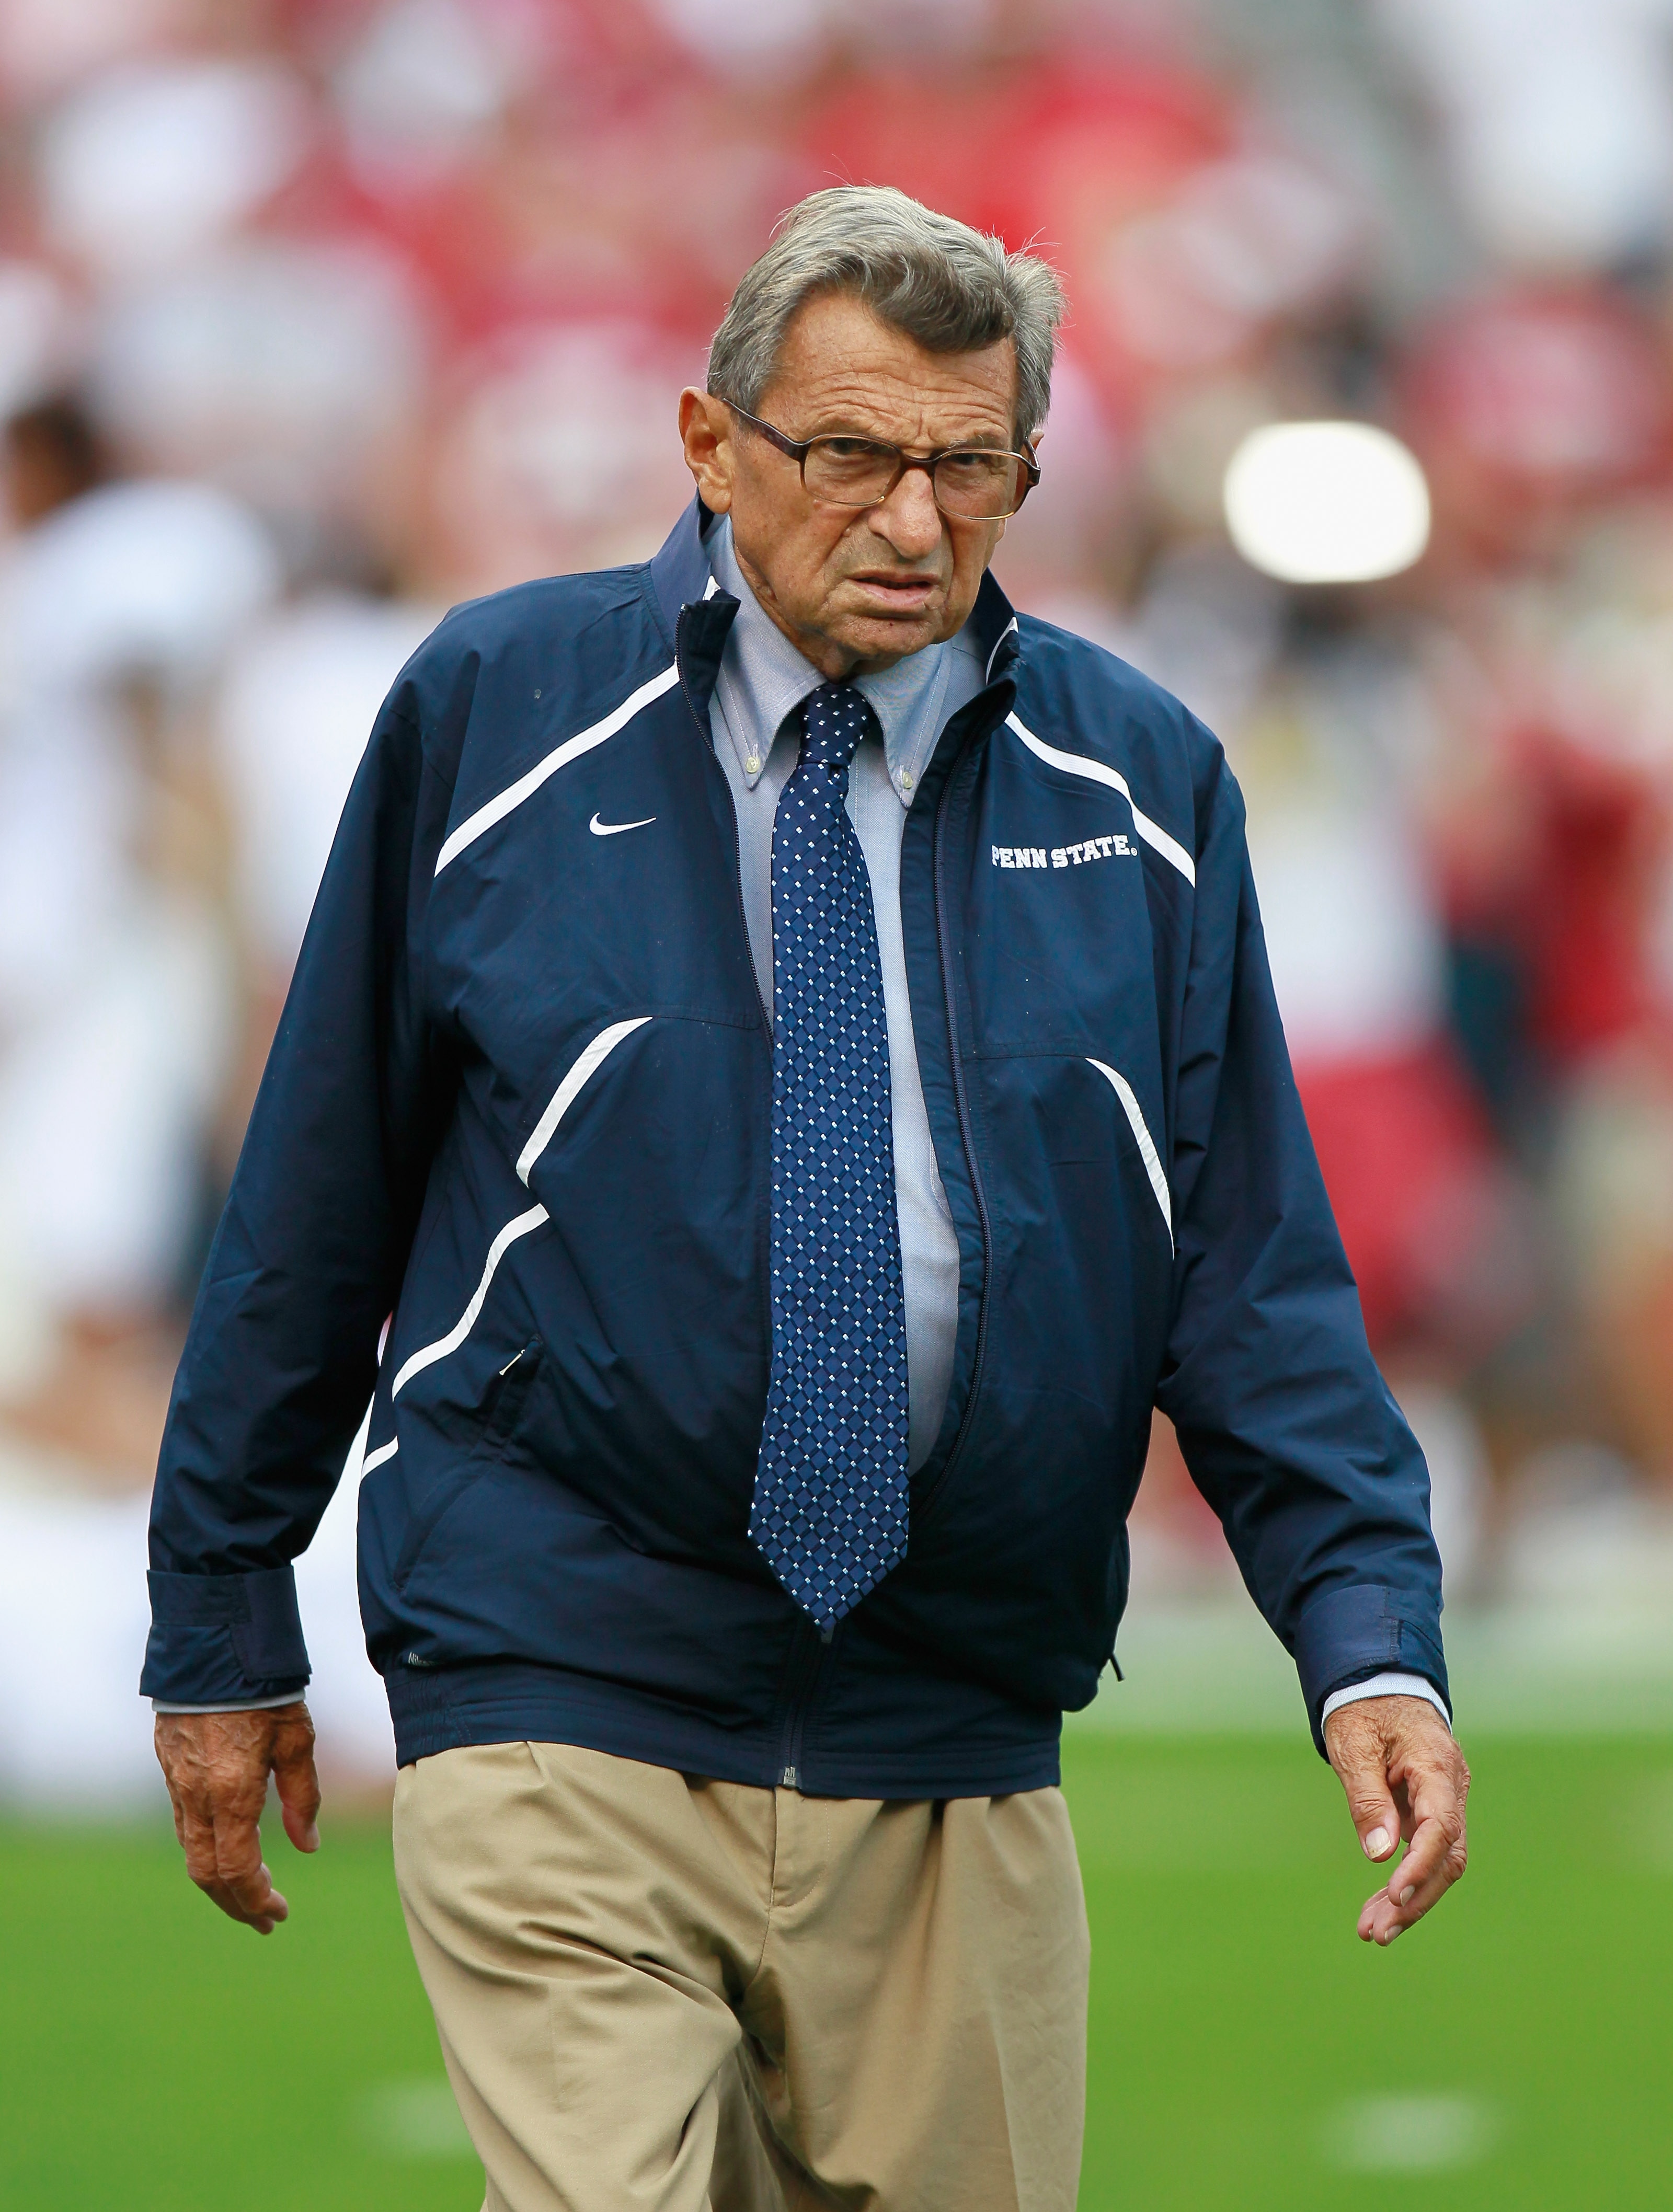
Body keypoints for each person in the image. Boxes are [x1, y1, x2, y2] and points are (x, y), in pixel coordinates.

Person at [144, 187, 1469, 2212]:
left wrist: (1366, 1638)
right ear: (708, 446)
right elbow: (315, 1192)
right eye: (846, 454)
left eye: (968, 465)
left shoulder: (1144, 779)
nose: (914, 521)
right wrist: (224, 1613)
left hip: (957, 1713)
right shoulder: (493, 710)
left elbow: (1243, 1269)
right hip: (555, 1662)